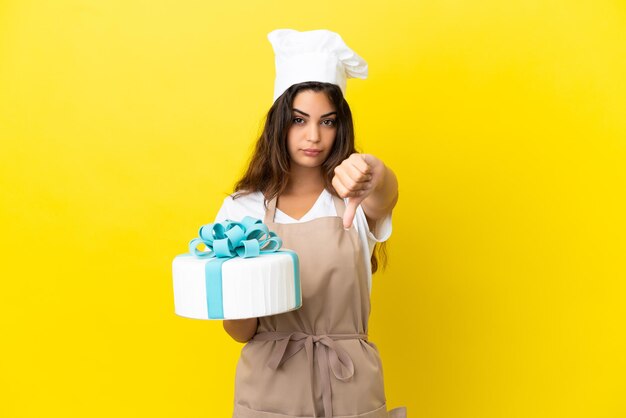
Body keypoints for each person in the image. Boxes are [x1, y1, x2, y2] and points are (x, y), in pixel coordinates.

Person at [215, 29, 405, 418]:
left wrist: (372, 170)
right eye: (299, 120)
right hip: (271, 386)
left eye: (328, 121)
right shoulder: (242, 210)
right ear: (279, 123)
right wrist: (236, 282)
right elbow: (239, 332)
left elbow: (386, 193)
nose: (313, 136)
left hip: (350, 384)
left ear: (341, 127)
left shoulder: (354, 198)